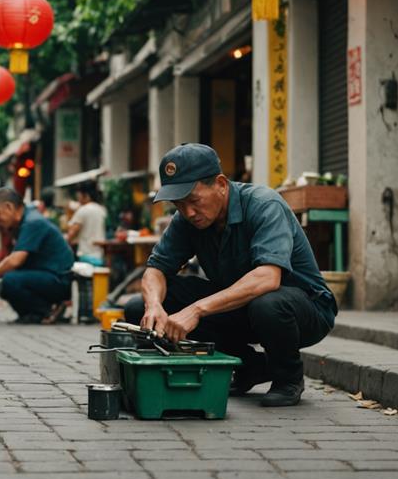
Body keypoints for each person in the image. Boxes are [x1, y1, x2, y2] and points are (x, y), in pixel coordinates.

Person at [123, 144, 336, 407]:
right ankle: (252, 366)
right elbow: (155, 270)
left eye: (194, 200)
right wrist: (154, 305)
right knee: (137, 307)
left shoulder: (263, 204)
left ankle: (288, 377)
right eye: (178, 204)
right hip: (244, 309)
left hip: (303, 310)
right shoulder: (186, 220)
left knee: (268, 303)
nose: (188, 212)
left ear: (221, 184)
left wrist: (197, 310)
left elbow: (268, 278)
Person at [0, 187, 75, 324]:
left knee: (10, 280)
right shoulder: (23, 222)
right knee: (4, 280)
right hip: (45, 275)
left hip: (58, 279)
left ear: (9, 207)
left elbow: (15, 260)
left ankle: (47, 310)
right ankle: (33, 314)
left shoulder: (33, 222)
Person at [66, 182, 107, 266]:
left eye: (79, 194)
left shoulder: (83, 210)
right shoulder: (102, 210)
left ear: (85, 195)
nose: (78, 197)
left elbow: (71, 234)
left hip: (85, 257)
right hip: (100, 256)